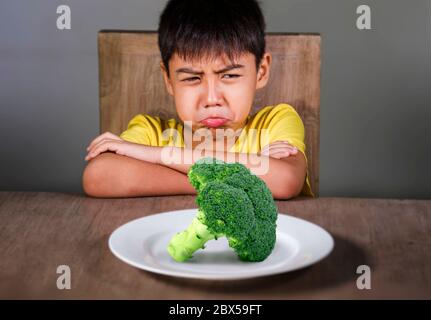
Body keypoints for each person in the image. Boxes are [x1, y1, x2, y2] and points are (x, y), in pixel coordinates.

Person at [82, 0, 314, 199]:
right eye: (192, 78)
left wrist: (157, 156)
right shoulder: (150, 131)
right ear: (168, 79)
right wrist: (244, 177)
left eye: (230, 75)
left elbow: (285, 180)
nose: (212, 99)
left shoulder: (274, 122)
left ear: (261, 71)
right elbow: (98, 176)